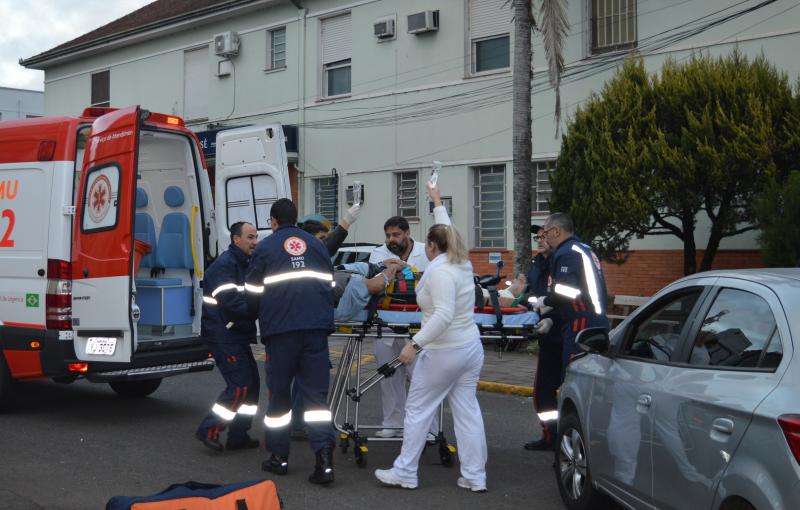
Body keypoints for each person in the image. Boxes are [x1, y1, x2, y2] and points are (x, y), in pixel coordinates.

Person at [374, 181, 488, 492]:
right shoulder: (461, 263)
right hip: (469, 349)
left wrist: (414, 344)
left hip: (443, 350)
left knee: (417, 410)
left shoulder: (439, 272)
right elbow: (446, 228)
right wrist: (436, 199)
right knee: (467, 413)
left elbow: (442, 315)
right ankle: (475, 477)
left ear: (432, 246)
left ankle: (406, 471)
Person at [244, 198, 336, 485]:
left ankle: (279, 458)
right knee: (316, 400)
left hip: (281, 333)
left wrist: (256, 315)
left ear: (273, 221)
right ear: (295, 219)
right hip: (315, 331)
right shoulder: (318, 245)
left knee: (279, 398)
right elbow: (332, 289)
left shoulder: (266, 248)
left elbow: (251, 292)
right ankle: (324, 462)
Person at [195, 221, 261, 452]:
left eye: (255, 237)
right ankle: (210, 429)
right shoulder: (225, 265)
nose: (254, 242)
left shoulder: (246, 263)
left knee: (252, 386)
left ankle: (238, 435)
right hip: (222, 334)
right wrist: (263, 310)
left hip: (237, 333)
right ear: (236, 239)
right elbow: (232, 304)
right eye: (250, 237)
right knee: (240, 385)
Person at [368, 215, 432, 438]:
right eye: (387, 235)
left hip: (418, 323)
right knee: (388, 375)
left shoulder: (425, 252)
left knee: (421, 379)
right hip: (386, 322)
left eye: (396, 235)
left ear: (407, 234)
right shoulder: (379, 254)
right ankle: (393, 423)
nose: (391, 240)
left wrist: (409, 269)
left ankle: (427, 429)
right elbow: (373, 284)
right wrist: (388, 270)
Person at [529, 212, 609, 378]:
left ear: (556, 231)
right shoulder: (584, 249)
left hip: (580, 322)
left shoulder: (566, 252)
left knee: (574, 375)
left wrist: (546, 300)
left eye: (546, 232)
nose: (545, 237)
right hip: (596, 319)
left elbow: (569, 291)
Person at [523, 224, 561, 451]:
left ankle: (564, 435)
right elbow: (531, 292)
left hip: (563, 330)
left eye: (542, 236)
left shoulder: (562, 262)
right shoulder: (537, 264)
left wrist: (553, 318)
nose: (539, 240)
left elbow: (567, 298)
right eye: (537, 237)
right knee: (543, 391)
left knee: (565, 390)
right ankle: (550, 435)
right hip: (544, 332)